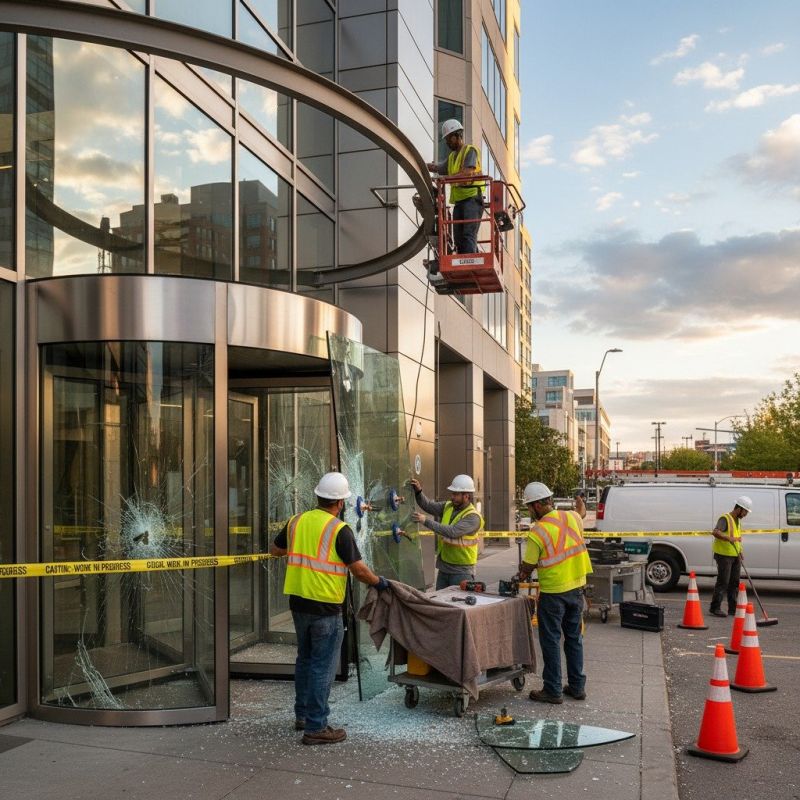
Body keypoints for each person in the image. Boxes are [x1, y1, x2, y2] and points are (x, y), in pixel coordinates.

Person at [270, 471, 389, 745]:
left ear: (317, 496)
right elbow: (358, 570)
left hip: (298, 603)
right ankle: (316, 726)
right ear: (341, 503)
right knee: (322, 666)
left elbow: (275, 550)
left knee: (305, 660)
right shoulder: (339, 530)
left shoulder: (296, 521)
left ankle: (302, 715)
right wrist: (379, 583)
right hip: (325, 607)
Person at [519, 482, 591, 704]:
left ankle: (552, 689)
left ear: (539, 505)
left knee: (550, 640)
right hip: (576, 588)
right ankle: (577, 687)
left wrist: (519, 577)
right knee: (573, 638)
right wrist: (581, 504)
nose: (529, 511)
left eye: (530, 507)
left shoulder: (538, 531)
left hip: (553, 592)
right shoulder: (572, 517)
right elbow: (581, 513)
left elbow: (527, 566)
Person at [409, 474, 484, 589]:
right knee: (441, 604)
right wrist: (419, 491)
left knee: (458, 605)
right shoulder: (448, 506)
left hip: (461, 572)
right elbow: (428, 505)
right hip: (444, 568)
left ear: (466, 496)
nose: (452, 497)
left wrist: (425, 521)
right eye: (452, 493)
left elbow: (452, 532)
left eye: (456, 494)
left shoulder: (473, 517)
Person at [426, 119, 484, 254]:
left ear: (457, 135)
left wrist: (444, 178)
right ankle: (464, 260)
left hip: (472, 199)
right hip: (459, 202)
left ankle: (470, 262)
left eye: (449, 139)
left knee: (468, 235)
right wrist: (423, 165)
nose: (447, 142)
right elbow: (438, 168)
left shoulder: (470, 151)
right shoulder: (452, 157)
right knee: (458, 238)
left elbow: (467, 173)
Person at [709, 495, 751, 617]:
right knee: (723, 581)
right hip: (724, 556)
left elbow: (737, 538)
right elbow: (715, 532)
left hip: (735, 555)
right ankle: (715, 607)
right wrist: (729, 538)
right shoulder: (725, 518)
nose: (745, 515)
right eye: (745, 512)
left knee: (734, 582)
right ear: (739, 509)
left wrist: (740, 551)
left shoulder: (737, 521)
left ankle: (732, 609)